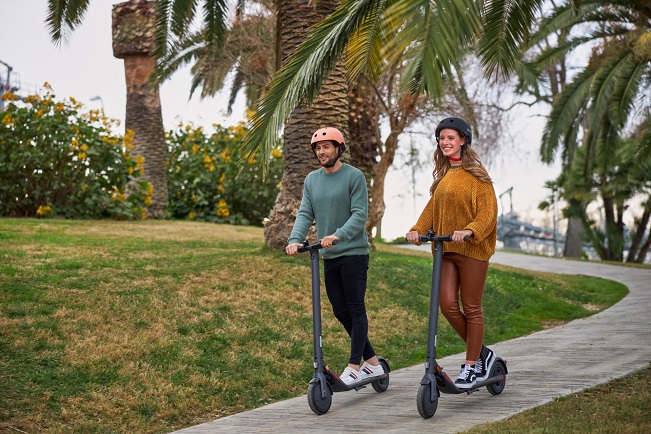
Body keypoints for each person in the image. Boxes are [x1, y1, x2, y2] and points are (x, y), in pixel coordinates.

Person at [286, 127, 384, 386]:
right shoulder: (312, 180)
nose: (322, 152)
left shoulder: (354, 176)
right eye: (318, 148)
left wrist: (338, 235)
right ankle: (373, 364)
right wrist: (294, 239)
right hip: (328, 255)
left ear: (339, 148)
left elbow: (359, 214)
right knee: (340, 310)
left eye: (327, 147)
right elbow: (305, 213)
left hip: (353, 253)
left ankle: (354, 366)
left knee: (355, 308)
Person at [405, 117, 498, 389]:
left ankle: (472, 366)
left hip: (472, 250)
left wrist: (469, 230)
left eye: (450, 138)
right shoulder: (444, 177)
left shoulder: (478, 178)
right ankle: (483, 354)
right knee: (447, 306)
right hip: (445, 250)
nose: (445, 142)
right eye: (442, 138)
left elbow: (488, 214)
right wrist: (416, 230)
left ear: (463, 141)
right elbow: (432, 211)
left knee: (471, 307)